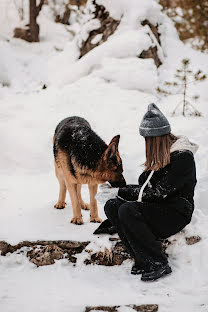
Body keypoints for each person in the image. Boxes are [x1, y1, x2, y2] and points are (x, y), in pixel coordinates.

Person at [95, 103, 198, 282]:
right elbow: (146, 188)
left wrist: (121, 191)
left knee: (128, 210)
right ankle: (141, 258)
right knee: (113, 206)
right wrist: (117, 194)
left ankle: (157, 262)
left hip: (175, 214)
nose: (146, 145)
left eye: (148, 140)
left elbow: (158, 192)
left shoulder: (182, 158)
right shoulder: (161, 157)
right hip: (156, 209)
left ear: (156, 139)